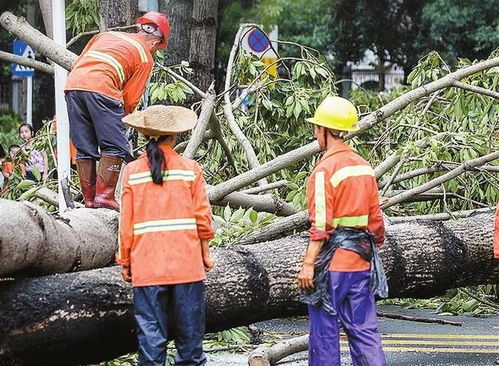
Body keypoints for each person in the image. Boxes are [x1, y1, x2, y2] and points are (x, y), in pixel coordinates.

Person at [117, 105, 215, 366]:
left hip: (147, 267)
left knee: (151, 344)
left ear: (147, 134)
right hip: (187, 267)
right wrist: (205, 255)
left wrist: (125, 262)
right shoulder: (190, 168)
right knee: (191, 345)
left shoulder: (132, 172)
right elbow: (202, 218)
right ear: (175, 136)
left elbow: (126, 223)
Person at [297, 96, 386, 366]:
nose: (315, 134)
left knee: (324, 335)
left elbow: (321, 225)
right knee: (365, 332)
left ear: (324, 130)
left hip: (332, 269)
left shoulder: (324, 170)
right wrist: (371, 247)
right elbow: (376, 223)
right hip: (360, 263)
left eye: (316, 128)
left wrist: (308, 264)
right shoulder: (363, 166)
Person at [65, 11, 170, 210]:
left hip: (73, 86)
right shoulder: (145, 56)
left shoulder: (105, 36)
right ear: (156, 42)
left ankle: (89, 199)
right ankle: (104, 197)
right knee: (113, 146)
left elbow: (78, 62)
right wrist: (122, 123)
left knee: (84, 148)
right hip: (103, 88)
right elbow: (130, 98)